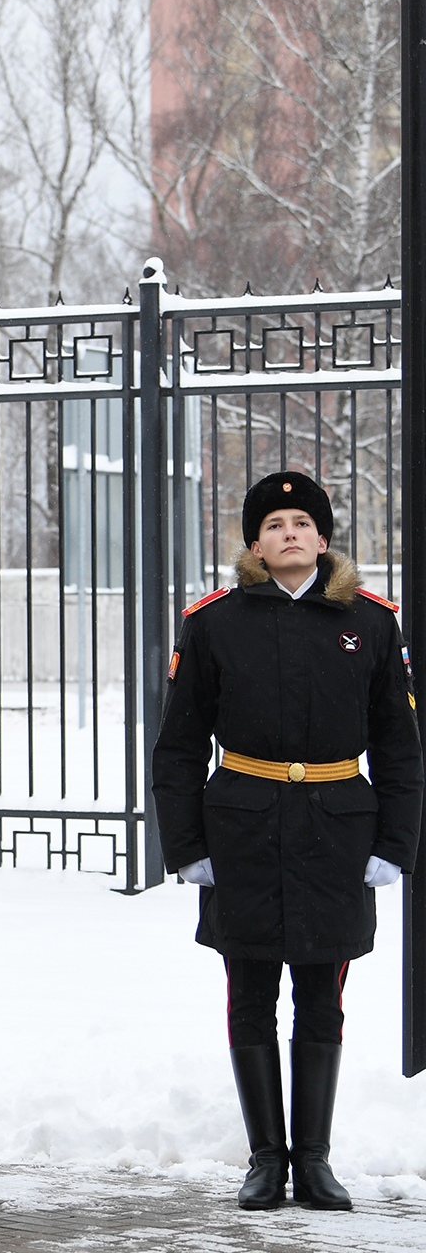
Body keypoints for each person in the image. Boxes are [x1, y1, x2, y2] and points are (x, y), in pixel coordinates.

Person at [154, 471, 422, 1213]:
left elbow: (400, 748)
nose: (290, 533)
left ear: (324, 537)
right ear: (255, 544)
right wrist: (187, 847)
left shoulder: (371, 623)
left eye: (302, 521)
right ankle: (265, 1161)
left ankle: (316, 1161)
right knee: (250, 996)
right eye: (273, 524)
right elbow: (178, 748)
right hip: (240, 828)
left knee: (321, 999)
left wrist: (394, 845)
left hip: (337, 832)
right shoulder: (214, 623)